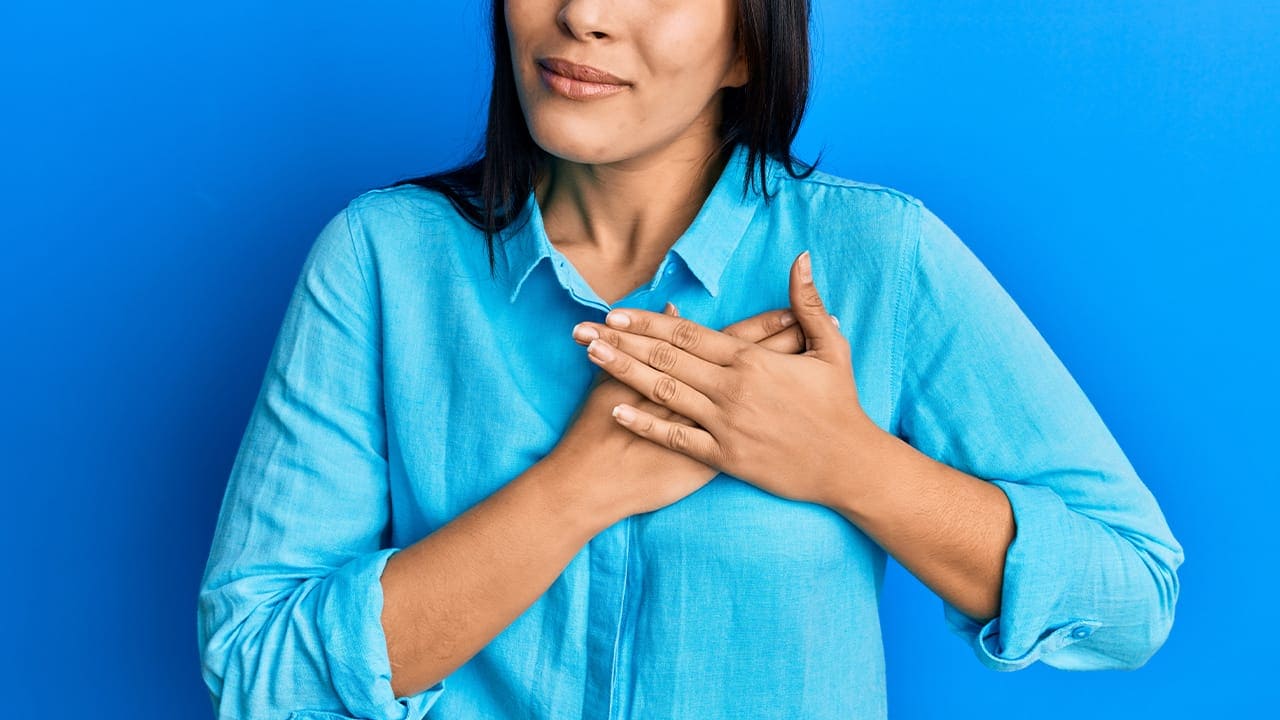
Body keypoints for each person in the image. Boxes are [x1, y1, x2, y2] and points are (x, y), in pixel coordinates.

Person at [196, 0, 1185, 718]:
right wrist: (574, 488)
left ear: (746, 45)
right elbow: (257, 672)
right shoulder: (382, 261)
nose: (581, 16)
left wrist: (847, 463)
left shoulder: (876, 258)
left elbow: (1129, 597)